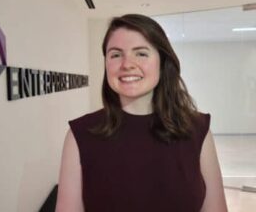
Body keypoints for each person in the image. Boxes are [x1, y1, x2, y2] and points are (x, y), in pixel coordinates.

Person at [55, 14, 227, 212]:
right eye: (116, 54)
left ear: (162, 62)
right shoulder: (80, 134)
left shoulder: (197, 129)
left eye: (141, 53)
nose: (127, 64)